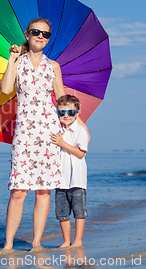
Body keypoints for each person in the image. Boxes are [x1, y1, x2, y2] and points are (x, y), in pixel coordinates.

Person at [0, 18, 65, 252]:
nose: (40, 36)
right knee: (18, 191)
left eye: (45, 34)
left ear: (49, 39)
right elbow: (6, 89)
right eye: (36, 32)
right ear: (27, 34)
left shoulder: (53, 66)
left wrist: (79, 124)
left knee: (44, 190)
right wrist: (12, 60)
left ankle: (36, 243)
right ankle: (8, 245)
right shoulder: (18, 62)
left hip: (49, 132)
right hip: (25, 132)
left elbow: (61, 100)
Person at [50, 95, 89, 249]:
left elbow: (80, 153)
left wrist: (62, 143)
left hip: (77, 179)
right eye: (61, 113)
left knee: (79, 211)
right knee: (62, 212)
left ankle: (78, 241)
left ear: (77, 113)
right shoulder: (57, 130)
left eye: (70, 112)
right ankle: (66, 241)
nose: (66, 116)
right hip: (60, 179)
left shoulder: (80, 130)